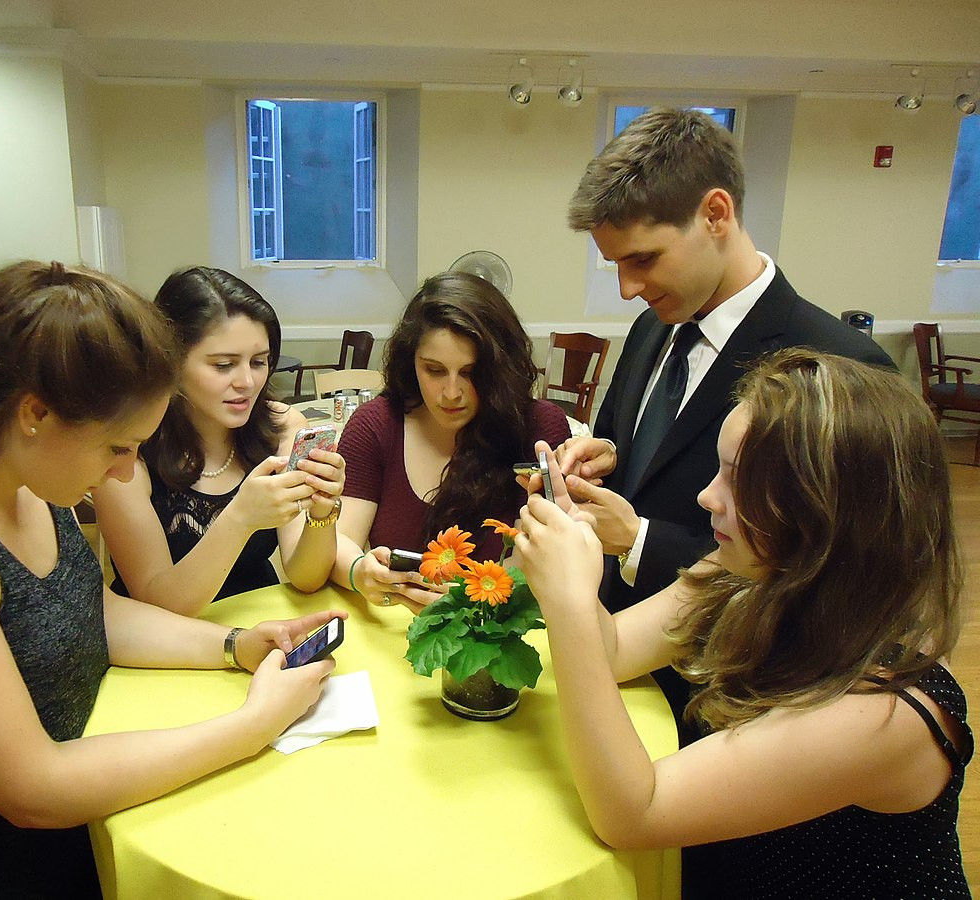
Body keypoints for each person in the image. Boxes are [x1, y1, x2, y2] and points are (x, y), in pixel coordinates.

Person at [0, 260, 342, 899]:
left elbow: (91, 612)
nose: (123, 474)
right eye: (117, 447)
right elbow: (34, 788)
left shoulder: (28, 488)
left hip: (89, 844)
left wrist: (235, 646)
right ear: (34, 412)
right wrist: (254, 724)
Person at [518, 349, 971, 898]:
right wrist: (568, 545)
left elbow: (633, 815)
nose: (707, 496)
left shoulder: (885, 708)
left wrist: (568, 601)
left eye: (740, 480)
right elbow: (613, 651)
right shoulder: (756, 566)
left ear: (825, 509)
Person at [549, 107, 894, 723]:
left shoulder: (839, 366)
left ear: (716, 214)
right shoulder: (653, 329)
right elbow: (657, 462)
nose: (628, 288)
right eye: (617, 266)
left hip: (735, 696)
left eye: (643, 259)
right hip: (615, 665)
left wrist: (639, 541)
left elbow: (825, 579)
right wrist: (611, 458)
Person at [92, 267, 344, 615]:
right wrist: (240, 518)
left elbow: (305, 577)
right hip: (169, 646)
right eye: (223, 365)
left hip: (261, 621)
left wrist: (322, 509)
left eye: (258, 362)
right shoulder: (126, 454)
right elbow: (158, 602)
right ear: (172, 362)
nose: (246, 381)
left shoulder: (283, 428)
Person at [333, 271, 571, 612]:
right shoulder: (376, 425)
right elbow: (341, 541)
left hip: (502, 639)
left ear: (501, 369)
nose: (451, 393)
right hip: (394, 635)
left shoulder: (538, 427)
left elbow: (547, 564)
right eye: (434, 370)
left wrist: (471, 601)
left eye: (472, 373)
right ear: (410, 361)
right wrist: (360, 573)